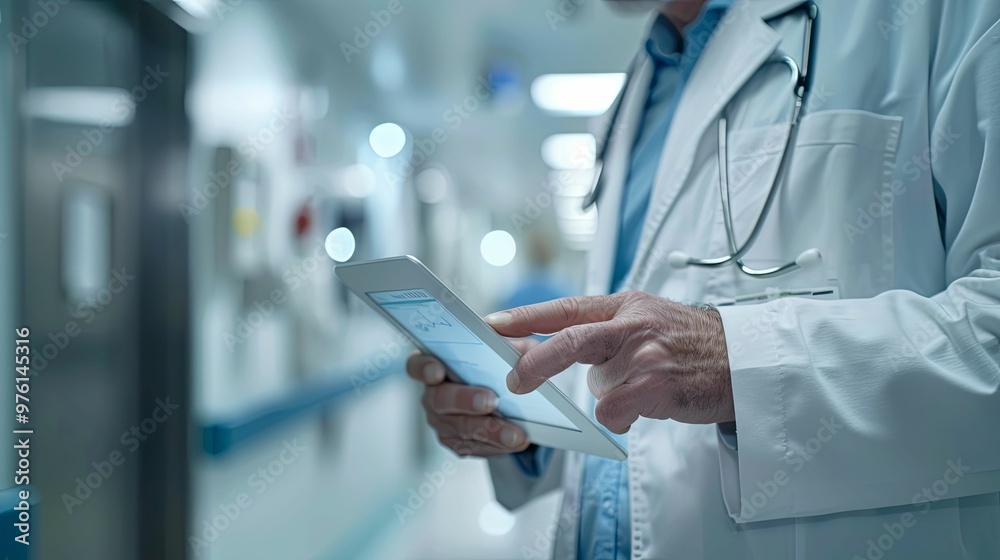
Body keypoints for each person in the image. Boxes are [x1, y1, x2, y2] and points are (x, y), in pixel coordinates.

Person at [406, 0, 1000, 558]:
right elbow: (639, 412)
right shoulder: (641, 87)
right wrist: (525, 414)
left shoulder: (936, 18)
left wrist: (737, 365)